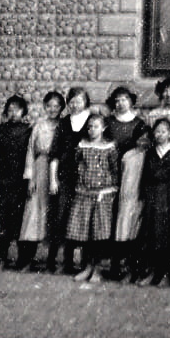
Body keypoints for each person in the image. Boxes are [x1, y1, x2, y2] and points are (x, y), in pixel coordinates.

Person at [64, 111, 118, 283]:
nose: (92, 130)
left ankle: (98, 269)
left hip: (102, 195)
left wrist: (111, 189)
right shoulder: (82, 146)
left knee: (99, 234)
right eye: (89, 127)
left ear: (103, 128)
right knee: (85, 233)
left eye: (95, 126)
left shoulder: (109, 147)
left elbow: (115, 170)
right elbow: (77, 166)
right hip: (84, 194)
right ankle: (87, 266)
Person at [51, 86, 95, 275]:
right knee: (64, 218)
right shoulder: (63, 123)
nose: (75, 104)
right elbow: (55, 153)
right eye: (72, 101)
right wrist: (53, 179)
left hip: (86, 179)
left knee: (84, 219)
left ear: (85, 102)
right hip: (66, 177)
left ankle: (85, 263)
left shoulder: (93, 121)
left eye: (79, 100)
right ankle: (66, 261)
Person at [137, 116, 170, 285]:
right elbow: (145, 176)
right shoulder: (150, 152)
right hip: (152, 198)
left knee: (166, 236)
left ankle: (165, 274)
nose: (159, 135)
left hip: (167, 199)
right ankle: (151, 272)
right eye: (157, 131)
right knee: (150, 235)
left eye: (163, 131)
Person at [108, 86, 147, 281]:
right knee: (111, 220)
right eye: (117, 100)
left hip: (131, 176)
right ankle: (113, 265)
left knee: (128, 221)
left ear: (131, 101)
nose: (120, 103)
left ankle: (129, 266)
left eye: (124, 99)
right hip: (110, 175)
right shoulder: (109, 123)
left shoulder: (139, 124)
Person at [21, 91, 63, 270]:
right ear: (44, 107)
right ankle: (27, 259)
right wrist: (30, 178)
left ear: (62, 107)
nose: (53, 109)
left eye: (56, 106)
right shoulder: (39, 126)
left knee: (53, 215)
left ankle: (51, 261)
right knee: (33, 214)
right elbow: (31, 151)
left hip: (56, 171)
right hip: (40, 168)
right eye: (49, 106)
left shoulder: (64, 126)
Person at [0, 96, 33, 269]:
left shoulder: (29, 130)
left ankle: (22, 259)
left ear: (23, 111)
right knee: (4, 219)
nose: (13, 113)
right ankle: (2, 257)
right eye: (10, 109)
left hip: (21, 181)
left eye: (17, 109)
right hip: (3, 181)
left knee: (20, 220)